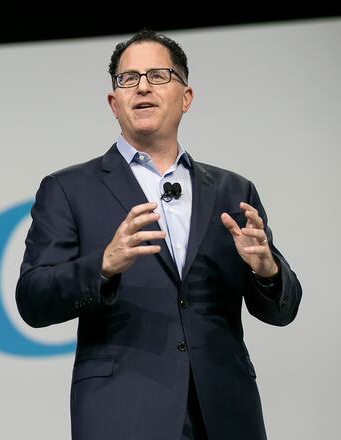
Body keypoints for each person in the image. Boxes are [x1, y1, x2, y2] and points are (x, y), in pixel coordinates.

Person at [15, 29, 302, 440]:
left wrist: (266, 270)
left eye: (158, 75)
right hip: (123, 413)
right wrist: (103, 266)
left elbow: (281, 311)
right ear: (114, 103)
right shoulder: (69, 189)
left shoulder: (233, 191)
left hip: (225, 411)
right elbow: (33, 299)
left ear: (186, 97)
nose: (142, 87)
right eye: (128, 79)